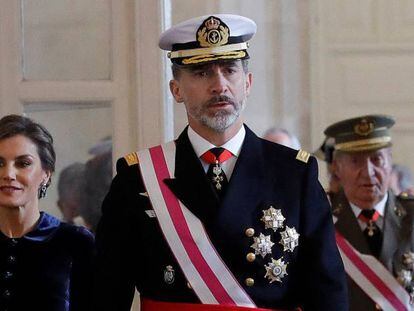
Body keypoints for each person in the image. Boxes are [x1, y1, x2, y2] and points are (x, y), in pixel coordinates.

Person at [93, 14, 348, 311]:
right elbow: (106, 293)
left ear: (248, 83)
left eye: (229, 70)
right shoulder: (138, 178)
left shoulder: (294, 174)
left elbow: (327, 295)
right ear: (176, 89)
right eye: (202, 73)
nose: (219, 85)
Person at [0, 114, 95, 310]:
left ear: (46, 174)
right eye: (0, 163)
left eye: (23, 163)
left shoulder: (76, 242)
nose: (8, 174)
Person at [325, 115, 414, 310]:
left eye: (377, 159)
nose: (368, 171)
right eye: (356, 162)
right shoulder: (320, 218)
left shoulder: (411, 216)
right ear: (337, 168)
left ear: (390, 162)